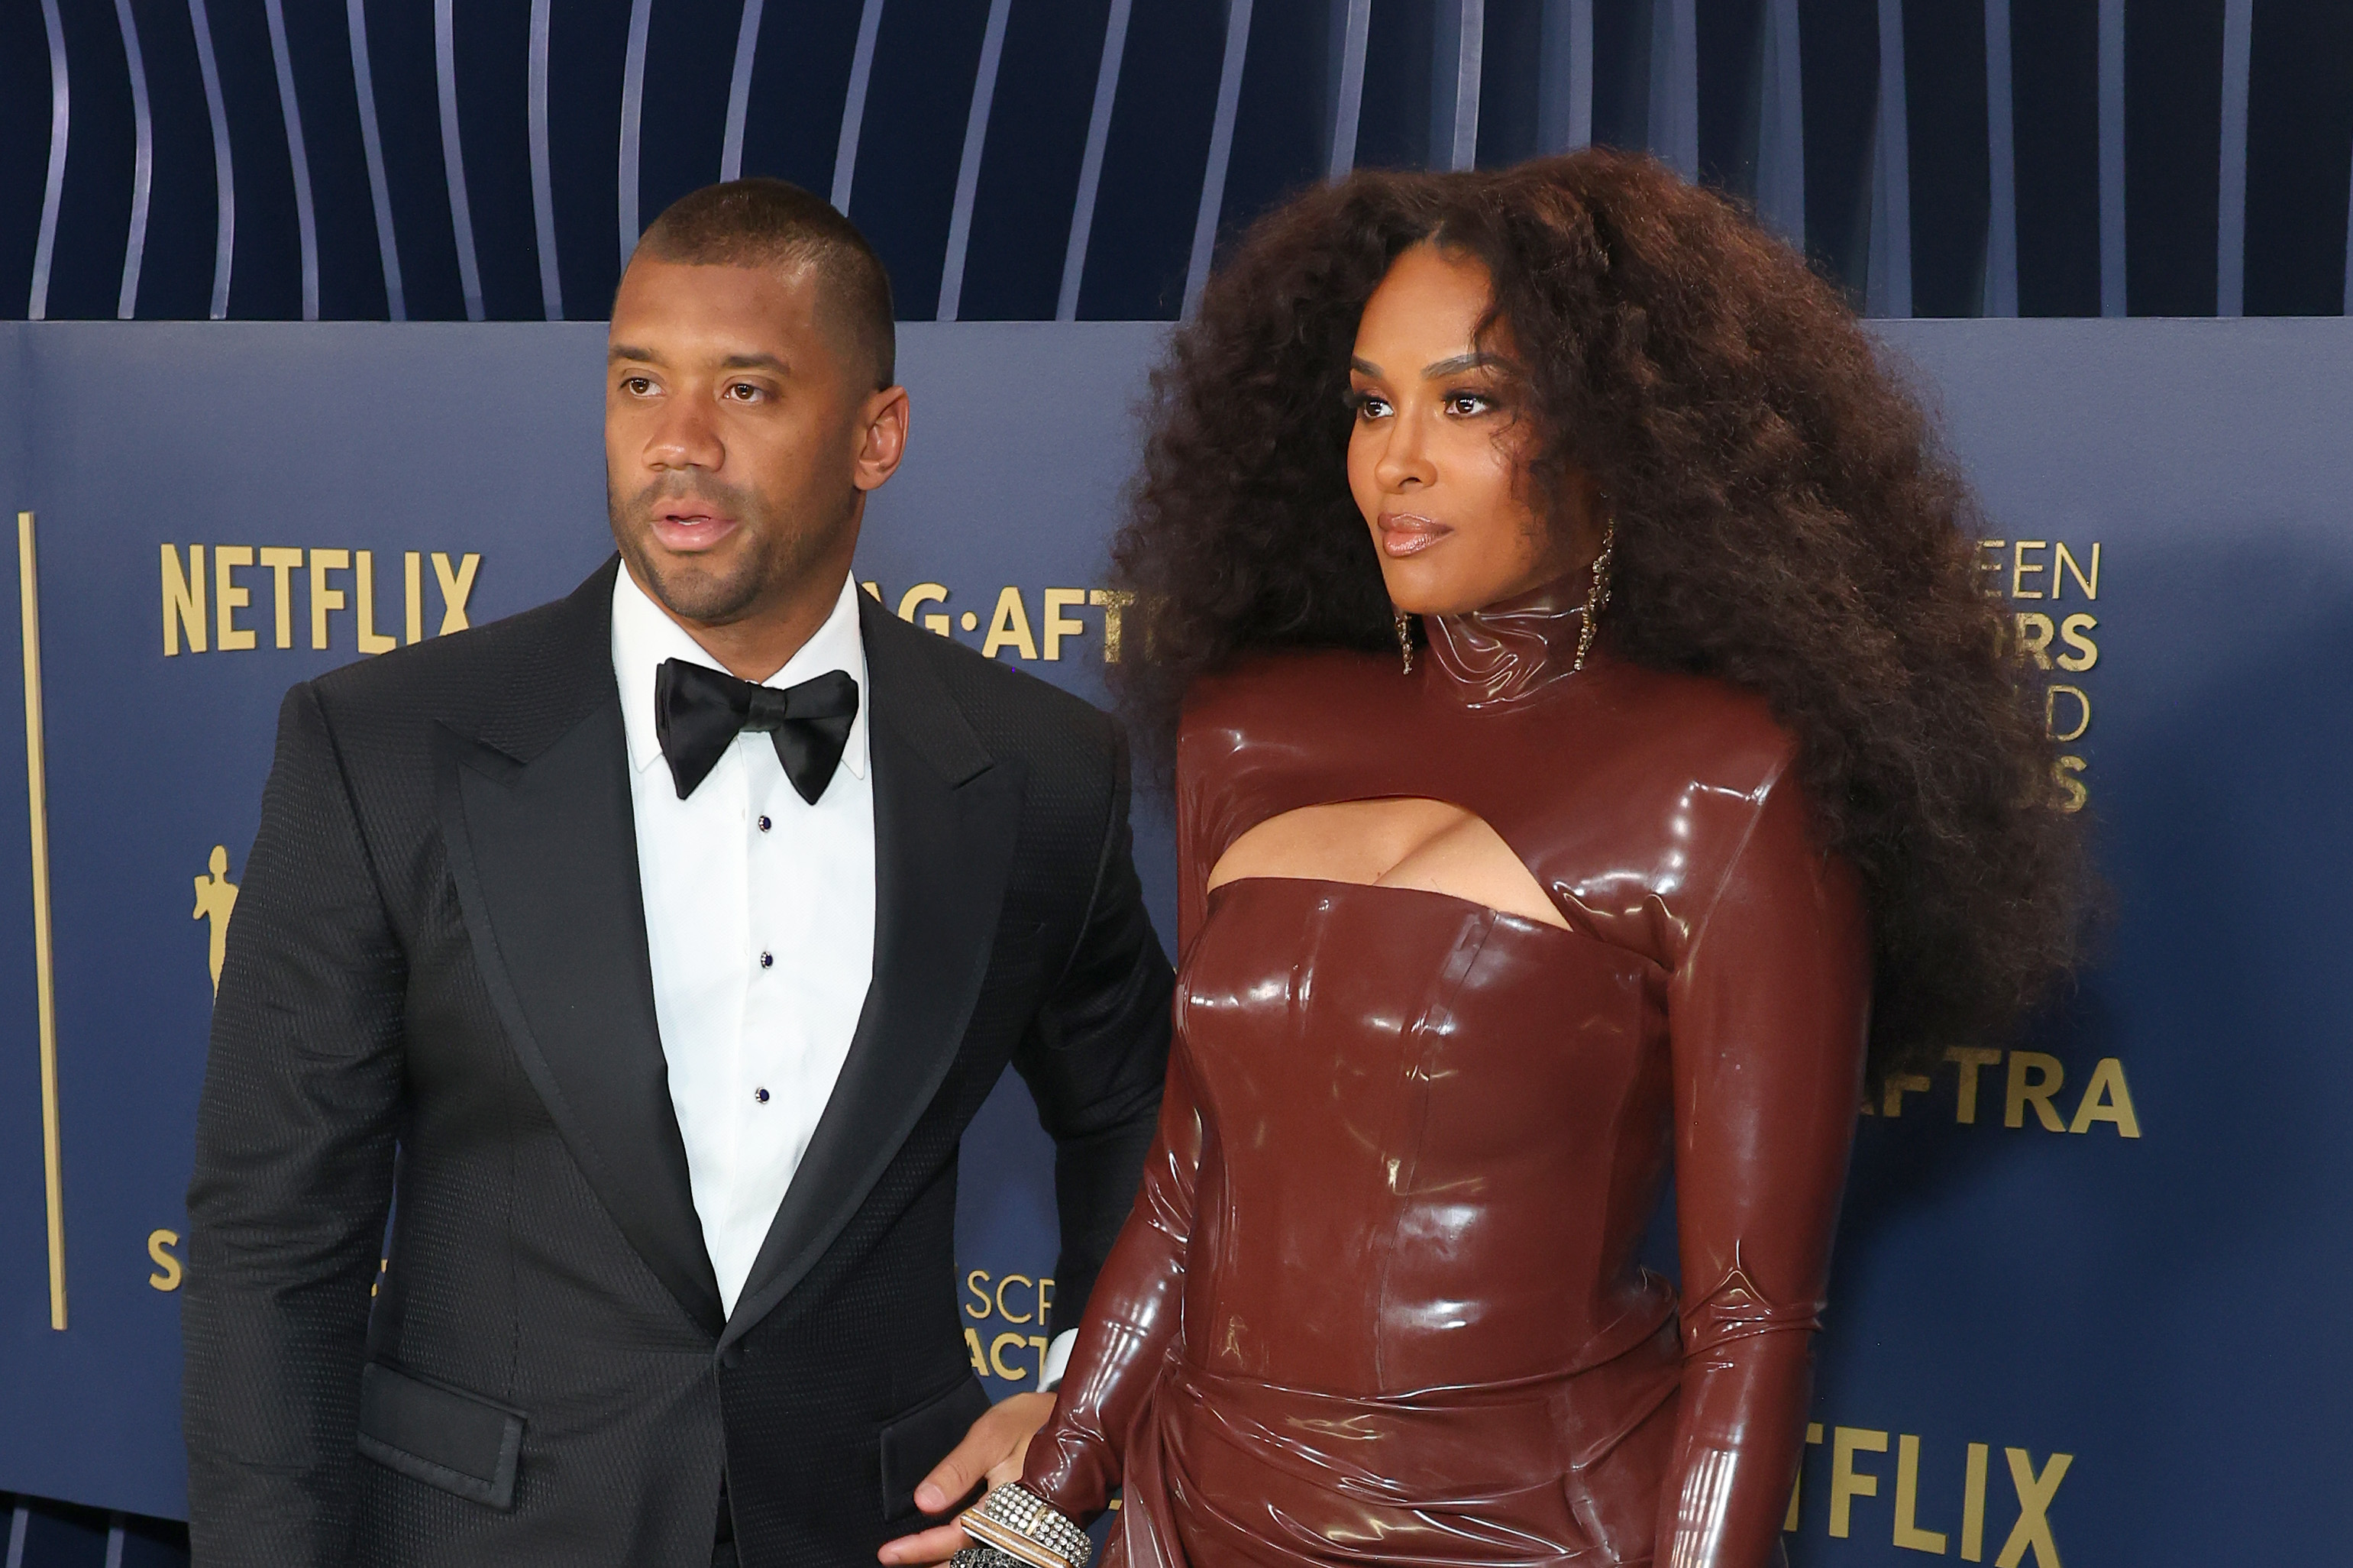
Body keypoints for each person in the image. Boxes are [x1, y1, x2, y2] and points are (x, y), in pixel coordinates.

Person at [963, 153, 2086, 1568]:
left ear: (1624, 432)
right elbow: (1189, 1186)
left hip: (1524, 1533)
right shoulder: (1246, 732)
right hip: (1192, 1511)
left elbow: (1747, 1318)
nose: (1397, 459)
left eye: (1470, 401)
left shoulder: (1727, 782)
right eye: (1371, 402)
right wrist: (1045, 1503)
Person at [181, 179, 1172, 1568]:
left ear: (876, 434)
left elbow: (1146, 1110)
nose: (677, 445)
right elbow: (270, 1244)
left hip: (879, 1532)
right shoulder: (387, 748)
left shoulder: (1036, 769)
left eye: (748, 391)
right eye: (639, 381)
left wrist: (1084, 1401)